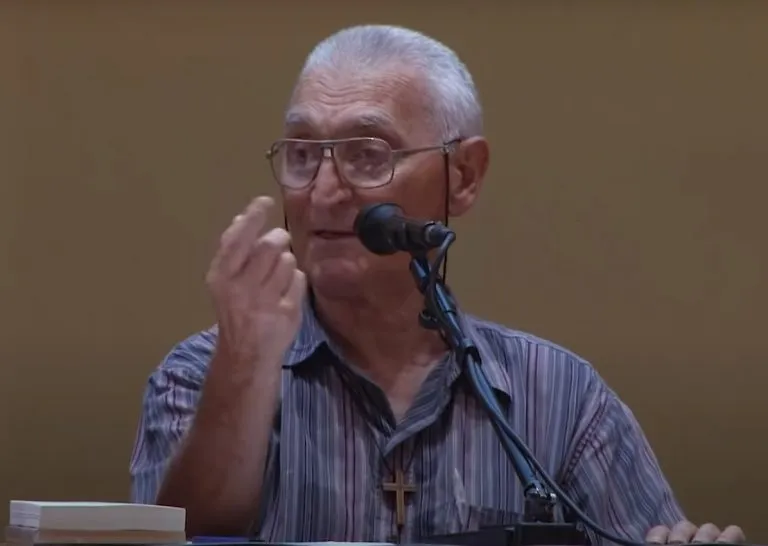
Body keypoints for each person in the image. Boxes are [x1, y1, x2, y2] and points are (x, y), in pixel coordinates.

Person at [128, 25, 745, 545]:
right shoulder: (199, 376)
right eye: (303, 153)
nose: (323, 190)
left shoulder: (562, 398)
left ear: (464, 175)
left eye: (367, 154)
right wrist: (245, 366)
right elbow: (183, 534)